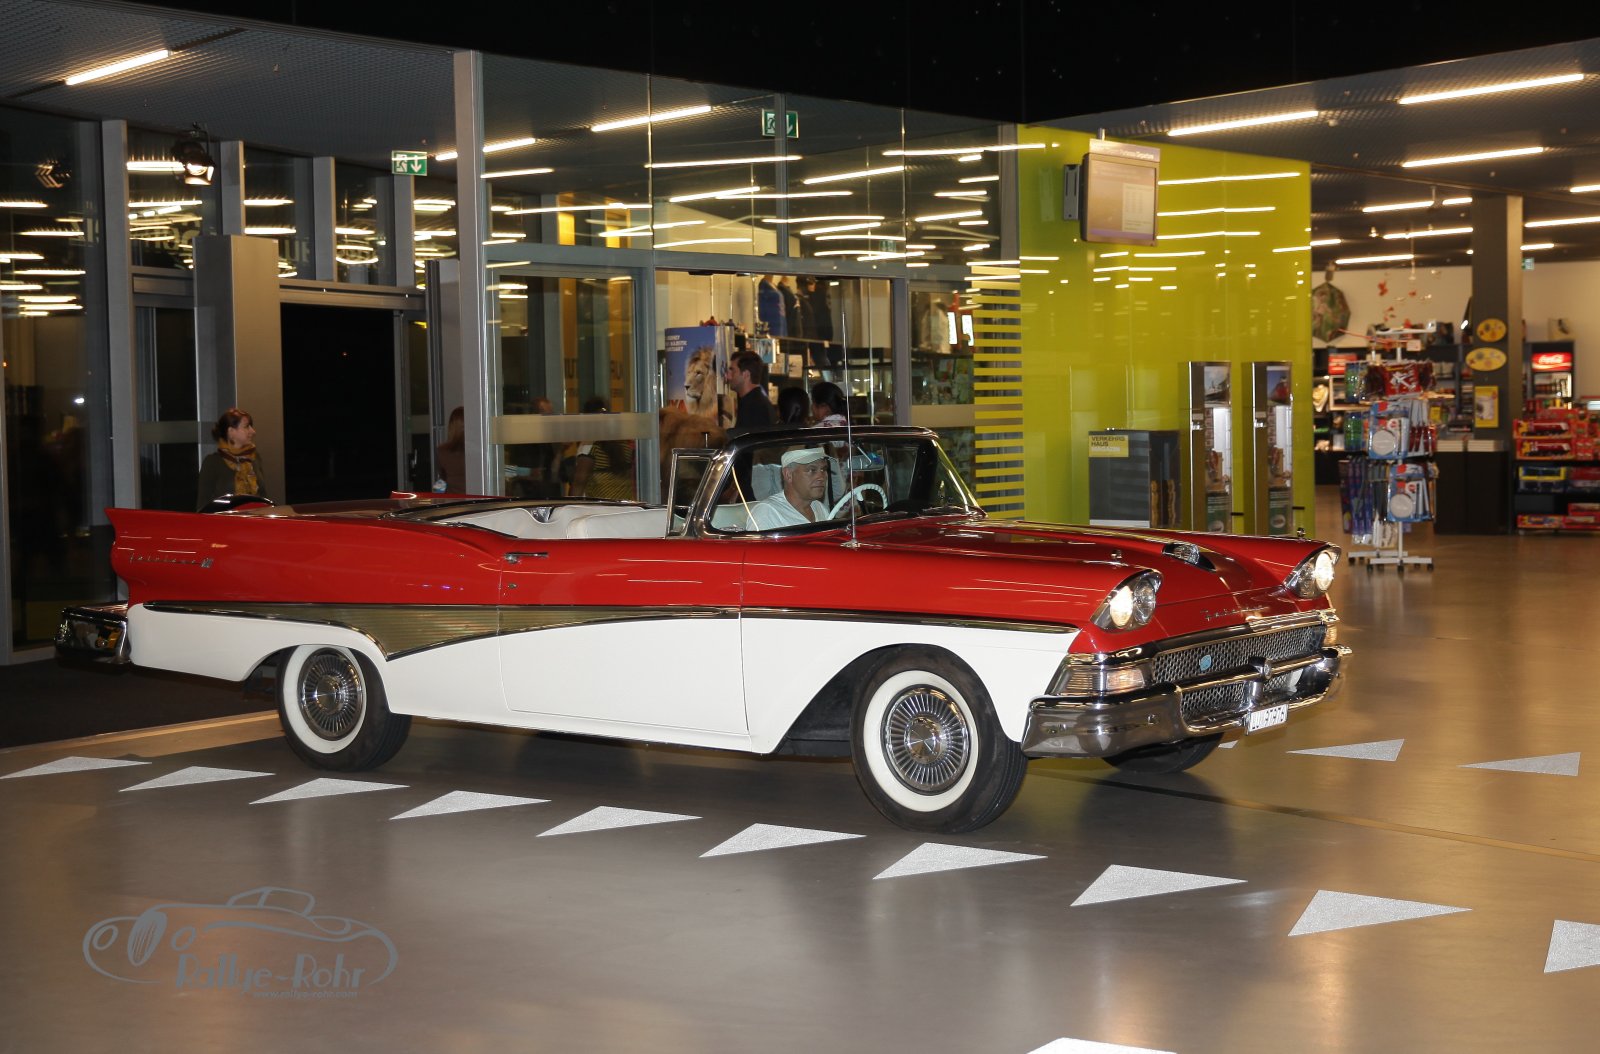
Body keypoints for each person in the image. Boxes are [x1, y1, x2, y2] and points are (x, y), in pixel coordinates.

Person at [197, 407, 271, 510]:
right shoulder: (213, 462)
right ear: (231, 432)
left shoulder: (254, 458)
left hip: (255, 518)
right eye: (246, 427)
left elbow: (263, 497)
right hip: (224, 519)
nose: (253, 431)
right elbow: (203, 505)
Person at [748, 447, 832, 529]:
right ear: (788, 474)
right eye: (812, 470)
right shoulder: (768, 513)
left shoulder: (819, 508)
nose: (821, 477)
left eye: (823, 469)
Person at [569, 397, 636, 500]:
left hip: (601, 505)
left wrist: (571, 504)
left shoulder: (590, 445)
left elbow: (579, 483)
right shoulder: (623, 443)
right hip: (625, 504)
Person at [726, 350, 774, 431]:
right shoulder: (755, 402)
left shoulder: (754, 407)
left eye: (732, 370)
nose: (728, 376)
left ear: (746, 374)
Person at [435, 406, 465, 492]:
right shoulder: (477, 450)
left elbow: (442, 480)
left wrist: (436, 496)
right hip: (476, 497)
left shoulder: (442, 451)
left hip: (452, 498)